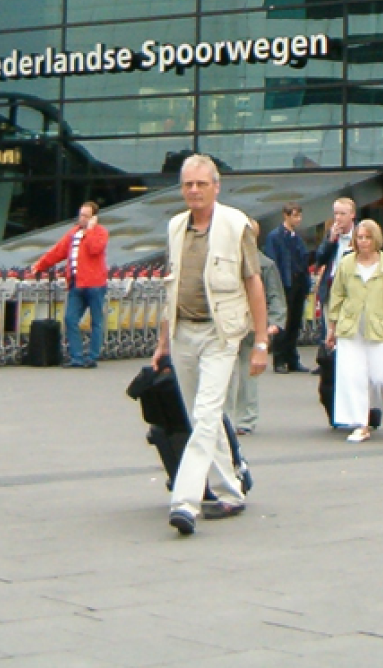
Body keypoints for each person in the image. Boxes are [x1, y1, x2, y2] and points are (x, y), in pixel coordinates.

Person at [153, 154, 271, 536]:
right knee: (200, 417)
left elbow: (254, 283)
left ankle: (184, 502)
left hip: (221, 334)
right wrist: (161, 342)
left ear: (216, 187)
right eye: (188, 184)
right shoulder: (175, 227)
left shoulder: (236, 225)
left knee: (205, 416)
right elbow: (171, 287)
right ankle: (230, 491)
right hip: (182, 332)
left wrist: (261, 342)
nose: (194, 190)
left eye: (201, 184)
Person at [325, 219, 383, 442]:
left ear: (376, 239)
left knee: (379, 376)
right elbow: (337, 295)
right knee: (353, 377)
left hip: (380, 328)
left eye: (367, 237)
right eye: (360, 237)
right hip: (350, 328)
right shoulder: (347, 263)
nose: (363, 242)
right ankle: (361, 424)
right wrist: (331, 327)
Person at [30, 199, 109, 368]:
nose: (82, 218)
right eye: (81, 215)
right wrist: (40, 265)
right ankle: (77, 357)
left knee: (96, 321)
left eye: (86, 216)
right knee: (70, 319)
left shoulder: (100, 233)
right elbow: (58, 251)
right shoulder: (73, 233)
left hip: (95, 284)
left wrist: (90, 230)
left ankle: (92, 357)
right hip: (76, 283)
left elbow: (94, 249)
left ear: (94, 218)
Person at [226, 221, 287, 433]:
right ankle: (228, 418)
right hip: (229, 322)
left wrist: (275, 322)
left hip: (250, 324)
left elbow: (275, 295)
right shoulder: (229, 261)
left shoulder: (264, 264)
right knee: (226, 373)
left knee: (245, 372)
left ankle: (244, 419)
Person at [263, 204, 312, 373]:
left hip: (298, 283)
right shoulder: (275, 237)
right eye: (294, 216)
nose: (297, 219)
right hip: (284, 283)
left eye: (299, 216)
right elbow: (272, 261)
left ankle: (292, 358)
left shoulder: (297, 237)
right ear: (285, 215)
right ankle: (279, 359)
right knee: (283, 322)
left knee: (295, 322)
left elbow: (304, 259)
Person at [312, 197, 357, 323]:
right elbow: (319, 259)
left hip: (352, 288)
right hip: (331, 288)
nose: (338, 218)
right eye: (336, 213)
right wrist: (330, 241)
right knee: (330, 329)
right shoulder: (330, 234)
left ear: (352, 215)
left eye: (342, 214)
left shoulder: (360, 234)